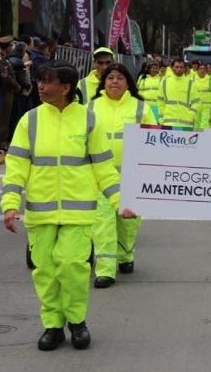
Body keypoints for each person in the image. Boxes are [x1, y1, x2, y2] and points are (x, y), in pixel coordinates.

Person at [1, 60, 136, 351]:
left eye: (47, 81)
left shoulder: (87, 120)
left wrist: (119, 201)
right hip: (41, 211)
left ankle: (77, 322)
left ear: (65, 88)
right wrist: (10, 204)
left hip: (78, 211)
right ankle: (52, 325)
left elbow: (103, 166)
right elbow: (16, 166)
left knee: (73, 267)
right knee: (45, 270)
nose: (40, 86)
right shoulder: (30, 120)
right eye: (39, 81)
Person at [88, 63, 156, 288]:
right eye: (110, 78)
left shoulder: (140, 108)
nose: (114, 82)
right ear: (103, 82)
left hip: (132, 175)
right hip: (100, 177)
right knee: (103, 222)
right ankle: (105, 270)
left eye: (119, 78)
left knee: (129, 222)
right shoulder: (90, 107)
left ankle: (126, 255)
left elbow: (153, 140)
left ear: (128, 83)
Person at [157, 58, 199, 128]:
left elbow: (196, 102)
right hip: (168, 122)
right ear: (172, 68)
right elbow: (161, 102)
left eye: (181, 67)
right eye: (176, 67)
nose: (179, 69)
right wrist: (161, 118)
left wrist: (191, 115)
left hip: (186, 122)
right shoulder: (164, 82)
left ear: (185, 68)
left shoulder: (191, 83)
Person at [0, 36, 21, 154]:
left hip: (7, 91)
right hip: (5, 91)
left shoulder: (4, 59)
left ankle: (2, 140)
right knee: (3, 118)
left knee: (5, 118)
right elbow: (5, 76)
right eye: (11, 45)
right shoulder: (1, 60)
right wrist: (17, 87)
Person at [192, 63, 211, 129]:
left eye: (204, 69)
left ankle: (203, 138)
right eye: (200, 69)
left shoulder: (210, 79)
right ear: (197, 70)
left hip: (207, 107)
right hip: (196, 106)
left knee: (204, 123)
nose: (202, 70)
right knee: (196, 123)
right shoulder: (193, 79)